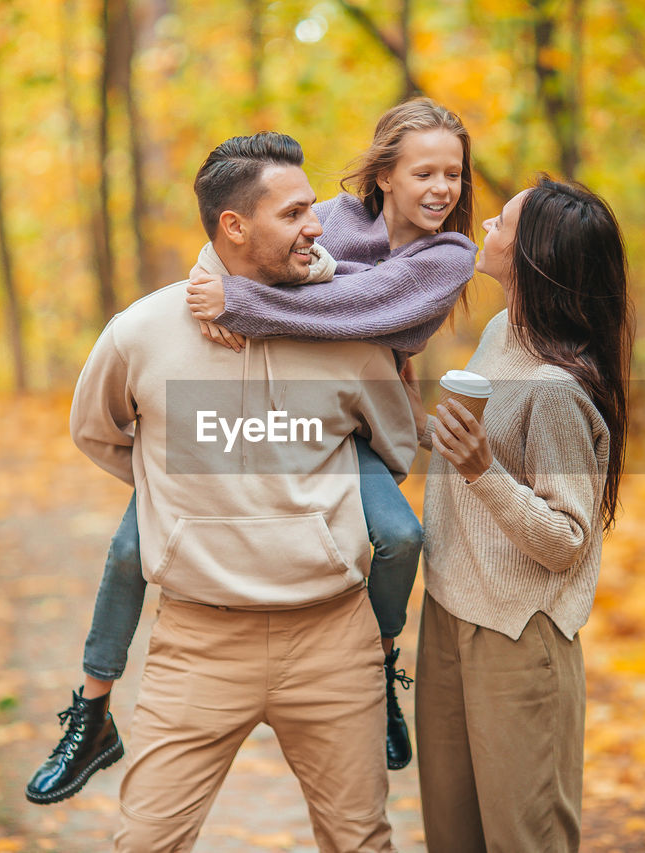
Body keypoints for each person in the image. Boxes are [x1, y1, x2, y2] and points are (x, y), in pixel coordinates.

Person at [26, 98, 477, 805]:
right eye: (425, 171)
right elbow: (244, 230)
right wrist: (218, 295)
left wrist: (245, 307)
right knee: (126, 549)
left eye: (454, 173)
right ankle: (90, 710)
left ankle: (381, 666)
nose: (442, 188)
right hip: (263, 413)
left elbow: (364, 310)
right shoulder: (330, 216)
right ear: (385, 173)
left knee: (399, 533)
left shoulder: (448, 252)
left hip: (352, 419)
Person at [410, 177, 633, 852]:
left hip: (519, 638)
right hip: (450, 616)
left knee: (523, 840)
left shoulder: (556, 389)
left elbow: (567, 537)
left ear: (534, 255)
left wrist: (482, 470)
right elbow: (470, 446)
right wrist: (399, 413)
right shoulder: (504, 330)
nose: (486, 230)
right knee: (453, 836)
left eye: (501, 224)